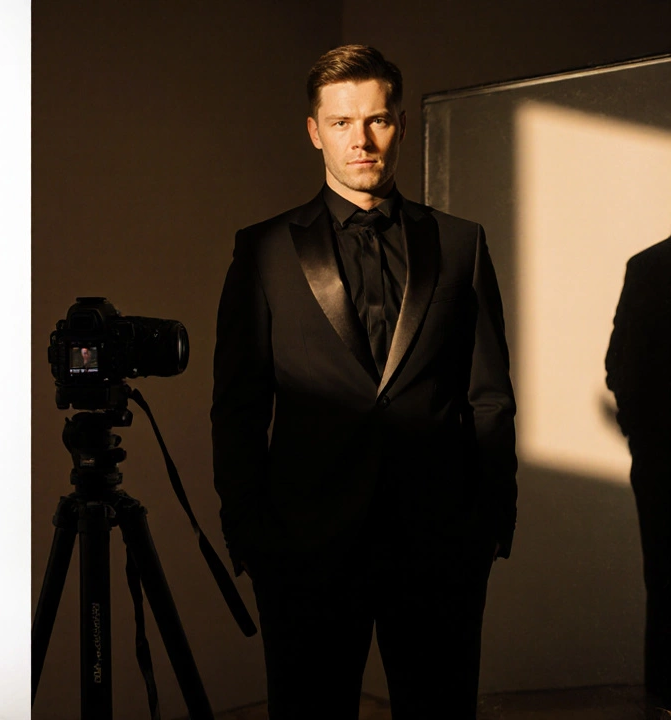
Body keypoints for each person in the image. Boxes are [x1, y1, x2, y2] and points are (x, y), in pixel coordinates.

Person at [210, 45, 516, 719]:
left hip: (439, 545)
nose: (362, 139)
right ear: (315, 131)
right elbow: (238, 405)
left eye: (376, 120)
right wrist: (250, 532)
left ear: (400, 125)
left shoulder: (462, 244)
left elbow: (488, 393)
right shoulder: (262, 248)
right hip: (303, 544)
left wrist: (490, 516)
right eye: (343, 122)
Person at [606, 234, 671, 706]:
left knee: (665, 581)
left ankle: (663, 697)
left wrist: (643, 435)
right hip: (658, 454)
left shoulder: (649, 264)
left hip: (661, 459)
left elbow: (618, 367)